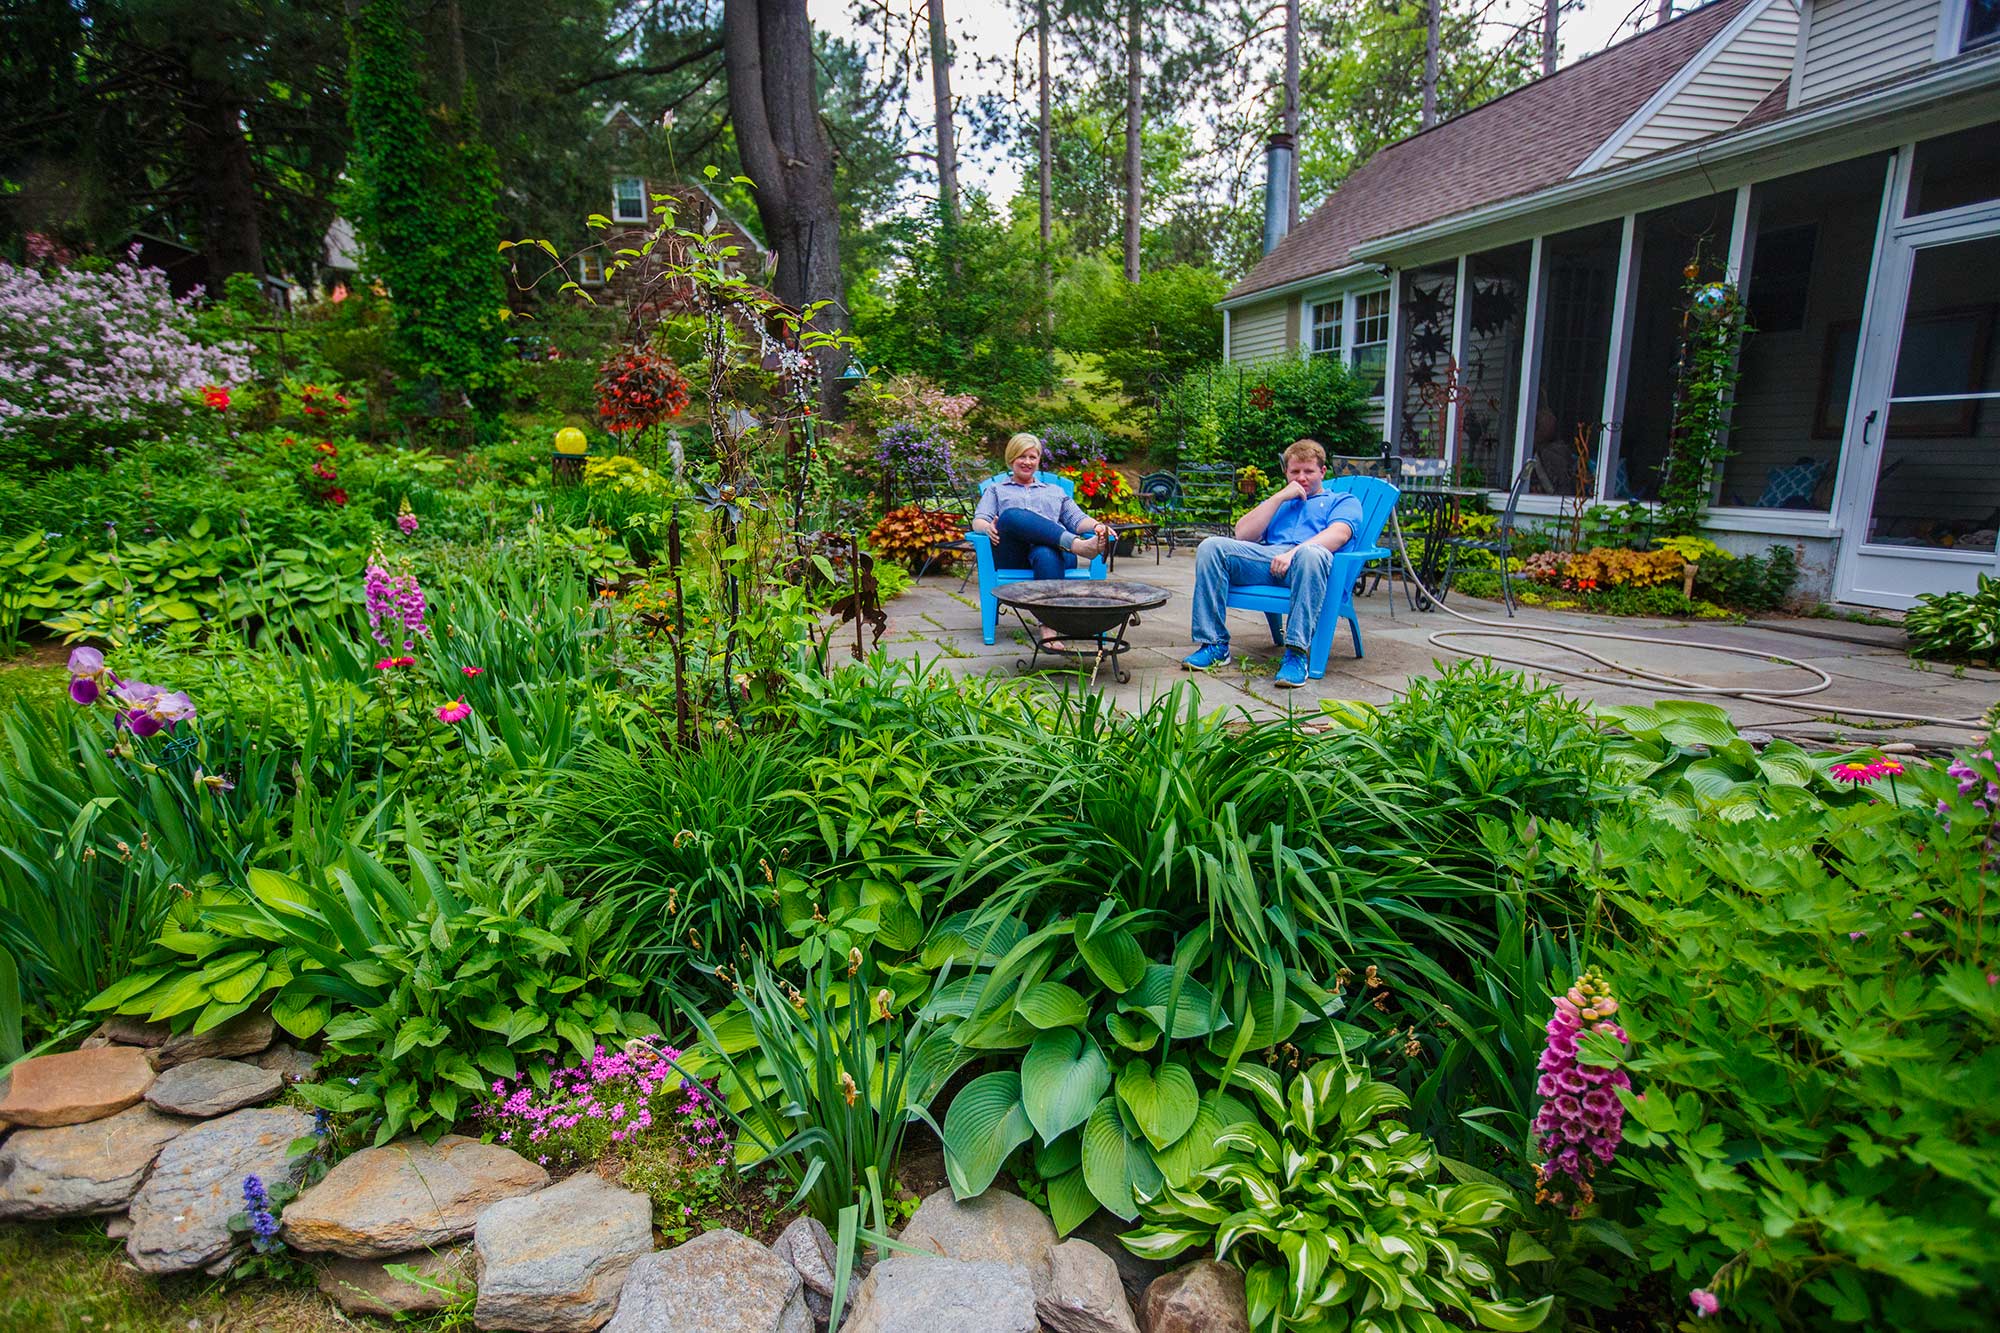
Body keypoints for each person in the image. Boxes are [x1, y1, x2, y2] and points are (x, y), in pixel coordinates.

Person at [1181, 438, 1365, 688]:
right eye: (1295, 472)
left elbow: (1339, 534)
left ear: (1322, 472)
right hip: (1268, 563)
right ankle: (1214, 645)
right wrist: (1278, 498)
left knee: (1311, 553)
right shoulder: (1280, 502)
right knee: (1211, 546)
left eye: (1309, 471)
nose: (1301, 478)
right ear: (1286, 472)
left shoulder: (1342, 501)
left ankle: (1296, 655)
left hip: (1311, 567)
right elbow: (1243, 534)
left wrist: (1294, 553)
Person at [971, 433, 1113, 650]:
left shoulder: (1055, 491)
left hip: (1054, 555)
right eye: (1022, 456)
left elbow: (1077, 519)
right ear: (1011, 459)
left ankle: (1048, 626)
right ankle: (1078, 546)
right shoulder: (997, 489)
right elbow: (979, 520)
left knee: (1045, 550)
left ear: (1038, 460)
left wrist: (1097, 527)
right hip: (1014, 556)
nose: (1027, 462)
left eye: (1032, 457)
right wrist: (986, 527)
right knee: (1010, 516)